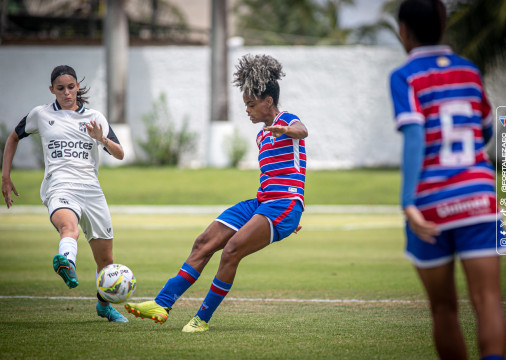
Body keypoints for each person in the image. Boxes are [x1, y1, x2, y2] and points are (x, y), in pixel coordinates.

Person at [124, 54, 308, 333]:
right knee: (204, 242)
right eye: (245, 104)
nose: (247, 110)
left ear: (268, 102)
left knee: (231, 251)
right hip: (263, 202)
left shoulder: (287, 120)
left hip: (283, 204)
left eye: (251, 104)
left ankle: (201, 319)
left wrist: (288, 130)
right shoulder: (261, 136)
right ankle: (162, 302)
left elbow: (302, 131)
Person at [389, 1, 505, 359]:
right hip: (479, 199)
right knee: (488, 300)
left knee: (443, 309)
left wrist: (407, 201)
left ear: (403, 31)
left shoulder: (404, 76)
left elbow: (414, 137)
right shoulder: (468, 71)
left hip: (431, 204)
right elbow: (487, 128)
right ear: (444, 25)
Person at [1, 65, 129, 323]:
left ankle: (104, 306)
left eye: (71, 87)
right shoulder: (41, 114)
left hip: (91, 191)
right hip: (59, 186)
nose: (67, 93)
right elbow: (14, 137)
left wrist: (100, 138)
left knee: (106, 260)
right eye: (61, 89)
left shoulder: (94, 117)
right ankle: (66, 263)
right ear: (52, 90)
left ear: (77, 87)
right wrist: (5, 176)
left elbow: (120, 154)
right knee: (67, 228)